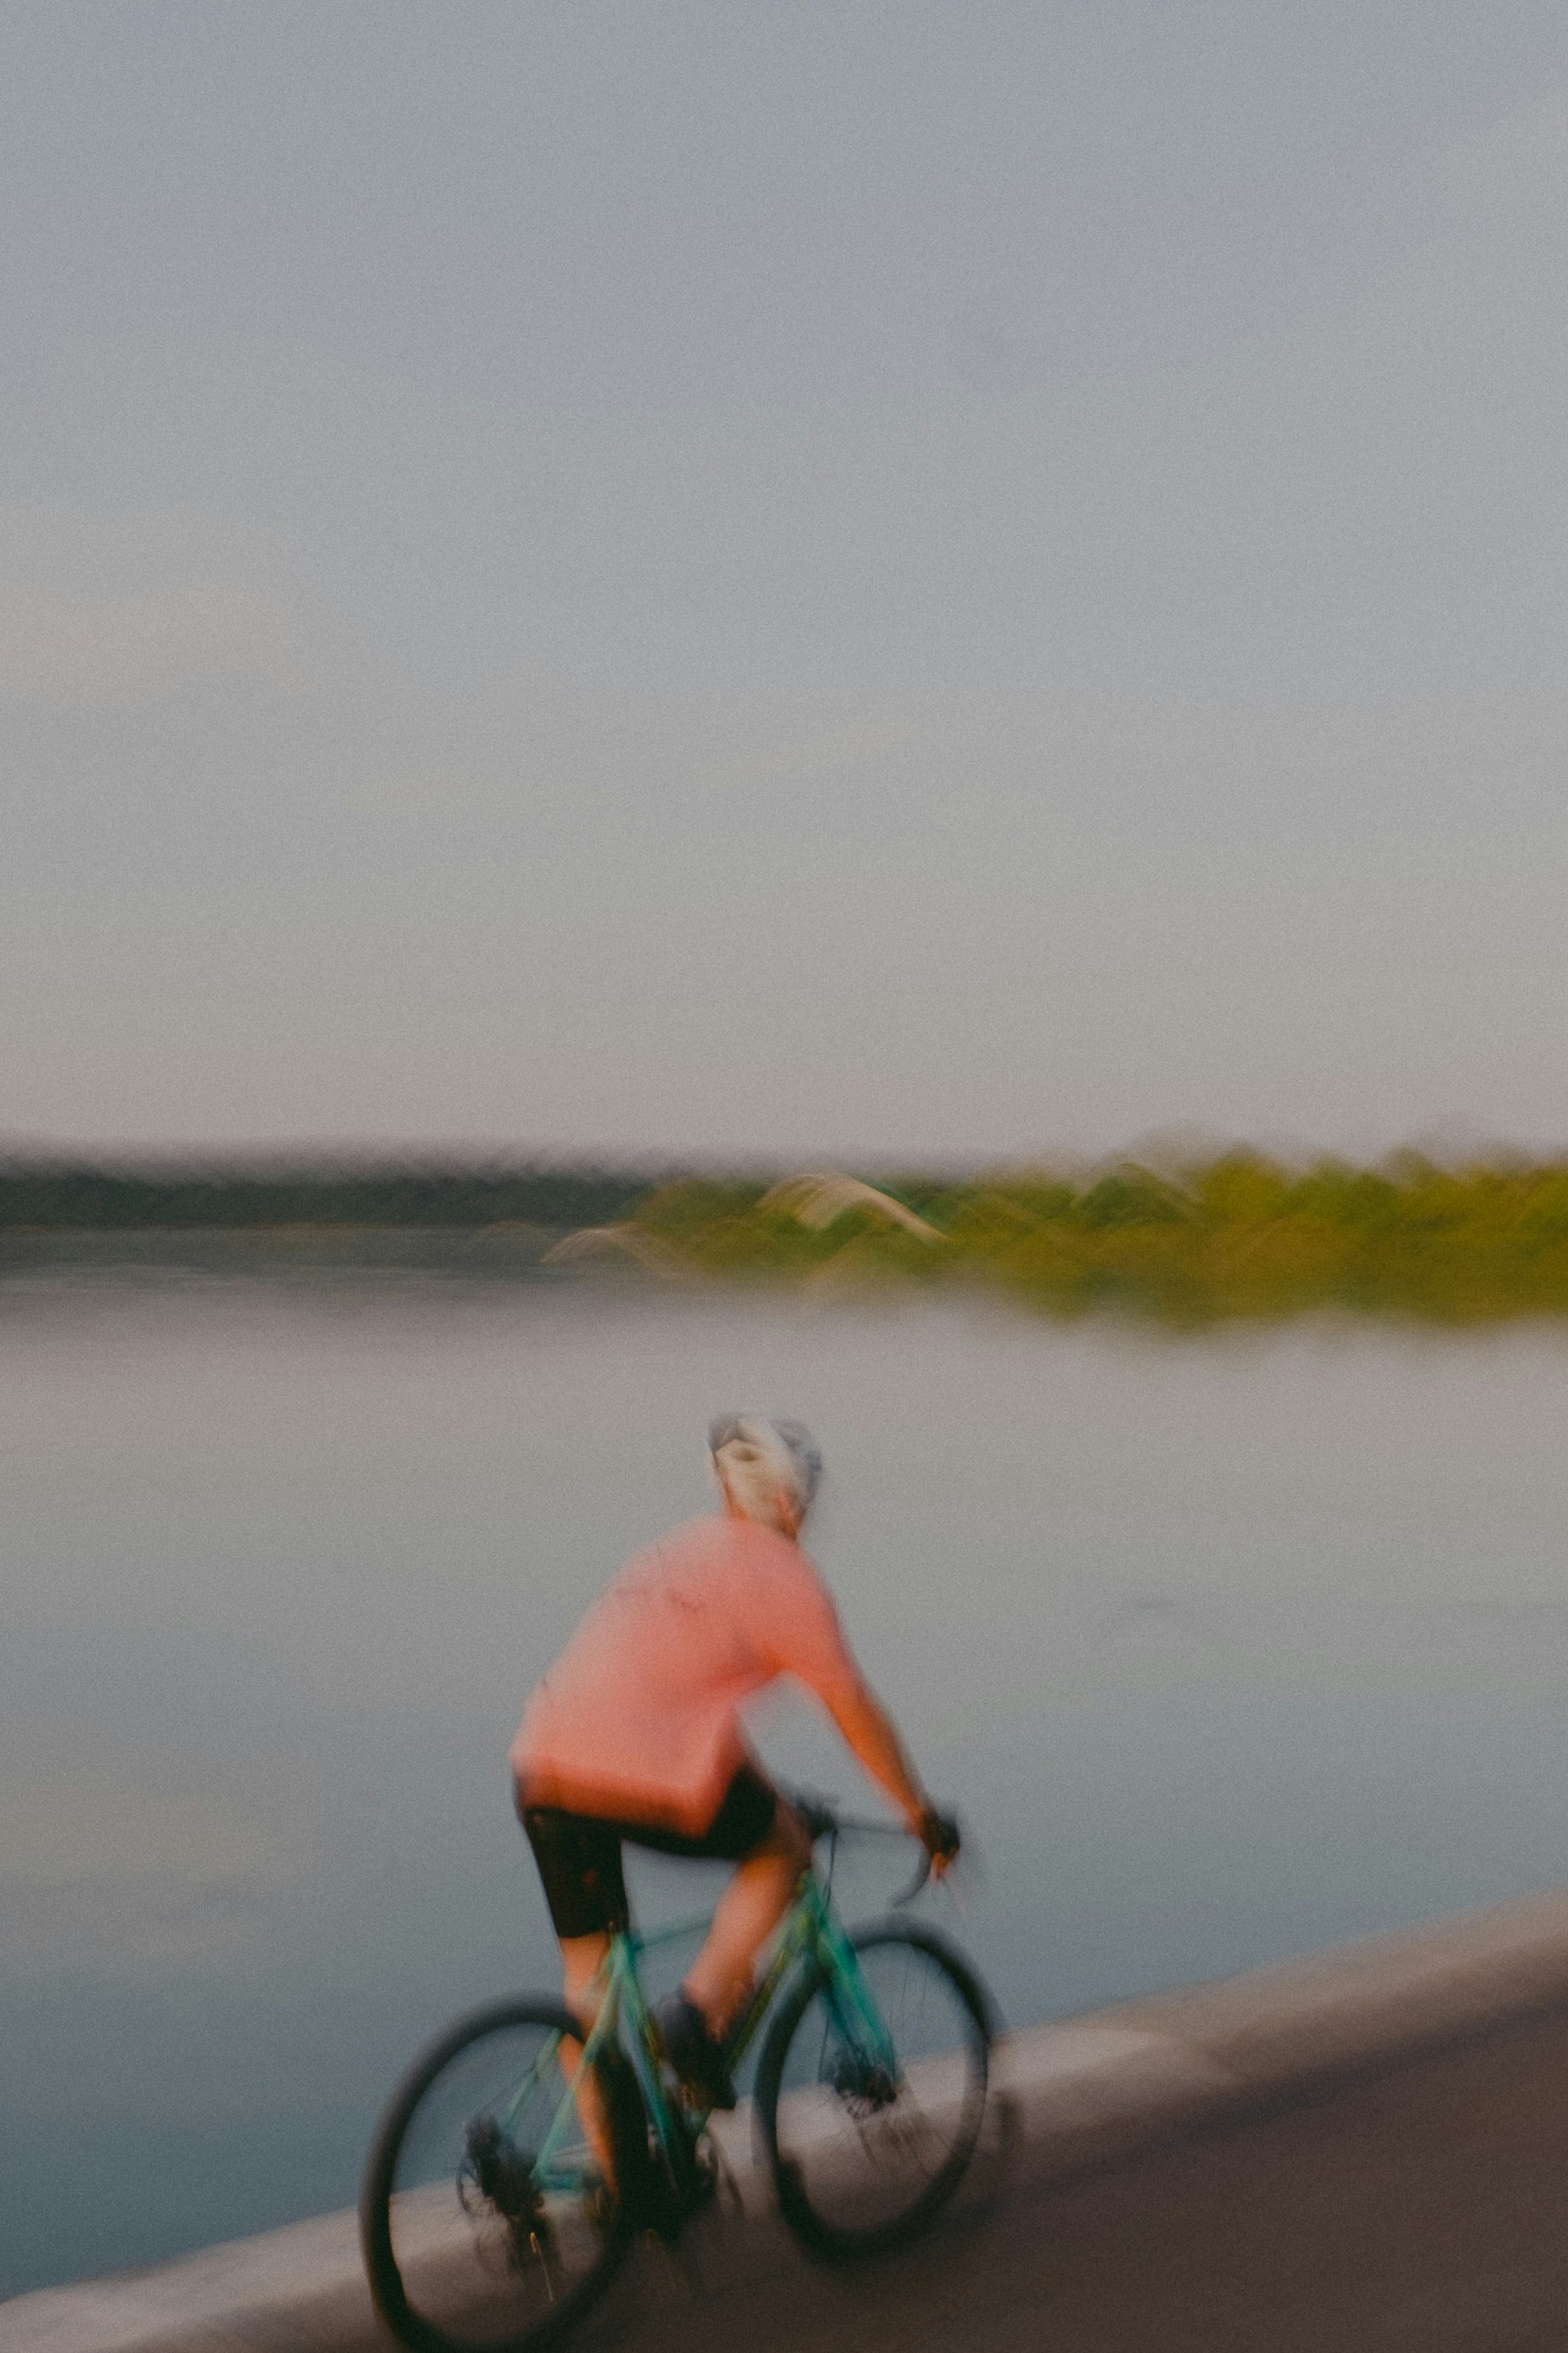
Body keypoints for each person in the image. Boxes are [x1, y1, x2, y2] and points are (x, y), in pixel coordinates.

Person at [510, 1414, 958, 2114]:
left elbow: (681, 1699)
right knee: (784, 1848)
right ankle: (692, 2014)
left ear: (725, 1489)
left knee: (587, 1988)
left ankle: (628, 2189)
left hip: (542, 1762)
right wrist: (919, 1812)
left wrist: (768, 1789)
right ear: (787, 1501)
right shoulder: (783, 1575)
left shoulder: (672, 1552)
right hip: (637, 1772)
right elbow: (853, 1711)